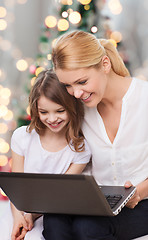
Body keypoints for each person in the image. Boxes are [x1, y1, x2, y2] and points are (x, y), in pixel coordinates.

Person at [43, 30, 148, 240]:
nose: (76, 93)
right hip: (95, 201)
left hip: (142, 202)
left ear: (105, 64)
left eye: (82, 82)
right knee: (53, 220)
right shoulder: (78, 108)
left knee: (87, 227)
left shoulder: (144, 99)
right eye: (68, 86)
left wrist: (139, 191)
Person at [0, 69, 91, 240]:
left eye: (59, 111)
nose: (52, 118)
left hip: (49, 214)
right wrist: (19, 216)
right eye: (44, 112)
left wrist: (31, 216)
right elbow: (16, 189)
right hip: (19, 211)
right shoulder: (22, 137)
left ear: (72, 107)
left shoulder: (80, 149)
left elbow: (57, 197)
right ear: (35, 109)